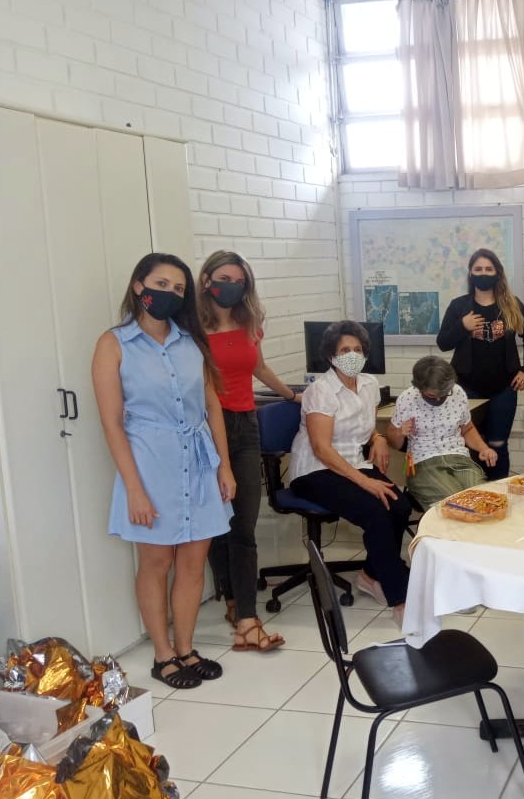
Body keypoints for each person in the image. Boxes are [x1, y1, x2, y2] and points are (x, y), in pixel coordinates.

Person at [92, 253, 235, 690]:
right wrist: (134, 489)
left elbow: (211, 405)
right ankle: (163, 654)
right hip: (149, 462)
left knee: (193, 563)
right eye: (161, 284)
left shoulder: (191, 340)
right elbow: (112, 422)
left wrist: (224, 467)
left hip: (199, 460)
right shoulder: (113, 343)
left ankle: (186, 647)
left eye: (178, 289)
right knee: (156, 561)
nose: (169, 294)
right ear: (138, 286)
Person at [197, 250, 299, 652]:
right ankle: (235, 603)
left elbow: (258, 367)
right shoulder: (192, 330)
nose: (232, 287)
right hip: (206, 428)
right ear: (206, 280)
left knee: (243, 523)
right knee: (216, 524)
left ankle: (246, 616)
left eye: (239, 281)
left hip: (245, 424)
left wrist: (293, 395)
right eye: (225, 278)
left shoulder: (248, 323)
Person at [288, 321, 412, 626]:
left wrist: (379, 439)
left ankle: (371, 575)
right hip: (315, 471)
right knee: (377, 510)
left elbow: (366, 431)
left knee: (401, 505)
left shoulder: (369, 384)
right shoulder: (321, 390)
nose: (352, 355)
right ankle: (401, 599)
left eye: (357, 349)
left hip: (353, 463)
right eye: (345, 350)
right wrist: (366, 482)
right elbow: (321, 448)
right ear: (331, 356)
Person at [436, 248, 524, 480]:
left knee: (498, 444)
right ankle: (476, 495)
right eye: (478, 269)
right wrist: (463, 325)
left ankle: (499, 494)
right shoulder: (459, 306)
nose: (484, 273)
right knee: (473, 445)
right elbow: (443, 343)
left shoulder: (511, 305)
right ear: (471, 274)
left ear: (497, 273)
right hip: (467, 389)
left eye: (488, 269)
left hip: (504, 388)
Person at [385, 356, 496, 511]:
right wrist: (400, 432)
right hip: (423, 461)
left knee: (482, 500)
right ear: (419, 387)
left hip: (459, 458)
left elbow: (467, 428)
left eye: (444, 394)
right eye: (431, 395)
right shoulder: (408, 398)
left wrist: (484, 448)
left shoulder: (457, 393)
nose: (438, 399)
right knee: (456, 505)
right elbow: (393, 442)